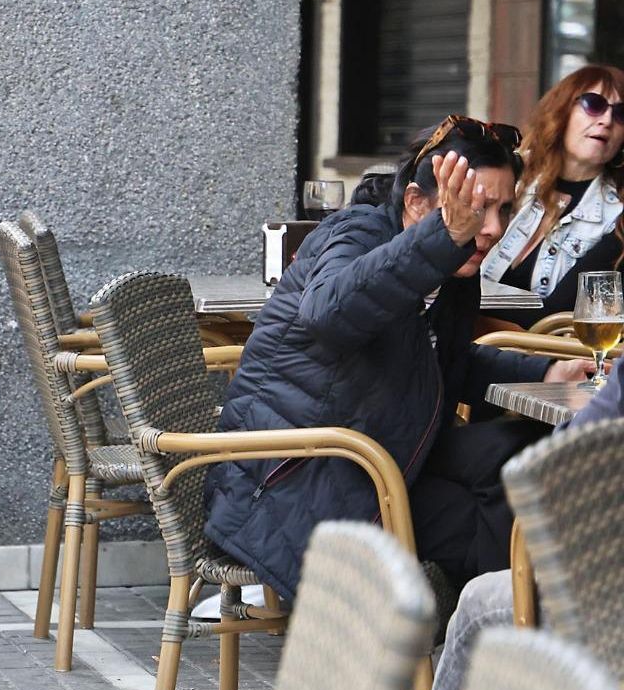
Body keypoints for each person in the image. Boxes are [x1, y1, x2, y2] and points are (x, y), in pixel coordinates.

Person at [207, 117, 592, 601]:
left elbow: (446, 361)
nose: (491, 228)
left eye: (503, 209)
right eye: (474, 206)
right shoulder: (359, 232)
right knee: (495, 525)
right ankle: (481, 633)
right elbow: (326, 313)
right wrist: (443, 238)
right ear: (415, 201)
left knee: (526, 450)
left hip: (381, 453)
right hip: (296, 478)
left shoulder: (454, 258)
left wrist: (547, 371)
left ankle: (481, 623)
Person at [369, 372, 620, 690]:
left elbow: (563, 467)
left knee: (485, 601)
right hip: (348, 463)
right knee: (497, 474)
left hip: (350, 462)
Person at [480, 64, 624, 329]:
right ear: (563, 109)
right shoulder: (511, 174)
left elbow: (555, 317)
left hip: (535, 361)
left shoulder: (617, 219)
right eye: (594, 104)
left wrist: (462, 301)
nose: (606, 120)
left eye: (621, 114)